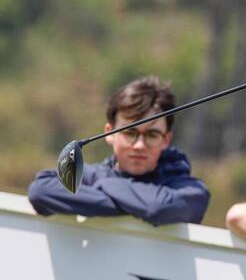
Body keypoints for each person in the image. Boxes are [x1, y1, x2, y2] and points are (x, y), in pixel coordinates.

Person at [28, 76, 211, 226]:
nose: (139, 145)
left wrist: (105, 184)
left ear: (166, 140)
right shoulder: (91, 175)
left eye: (152, 135)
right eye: (130, 132)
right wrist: (135, 204)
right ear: (109, 133)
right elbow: (41, 191)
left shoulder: (191, 190)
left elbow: (158, 208)